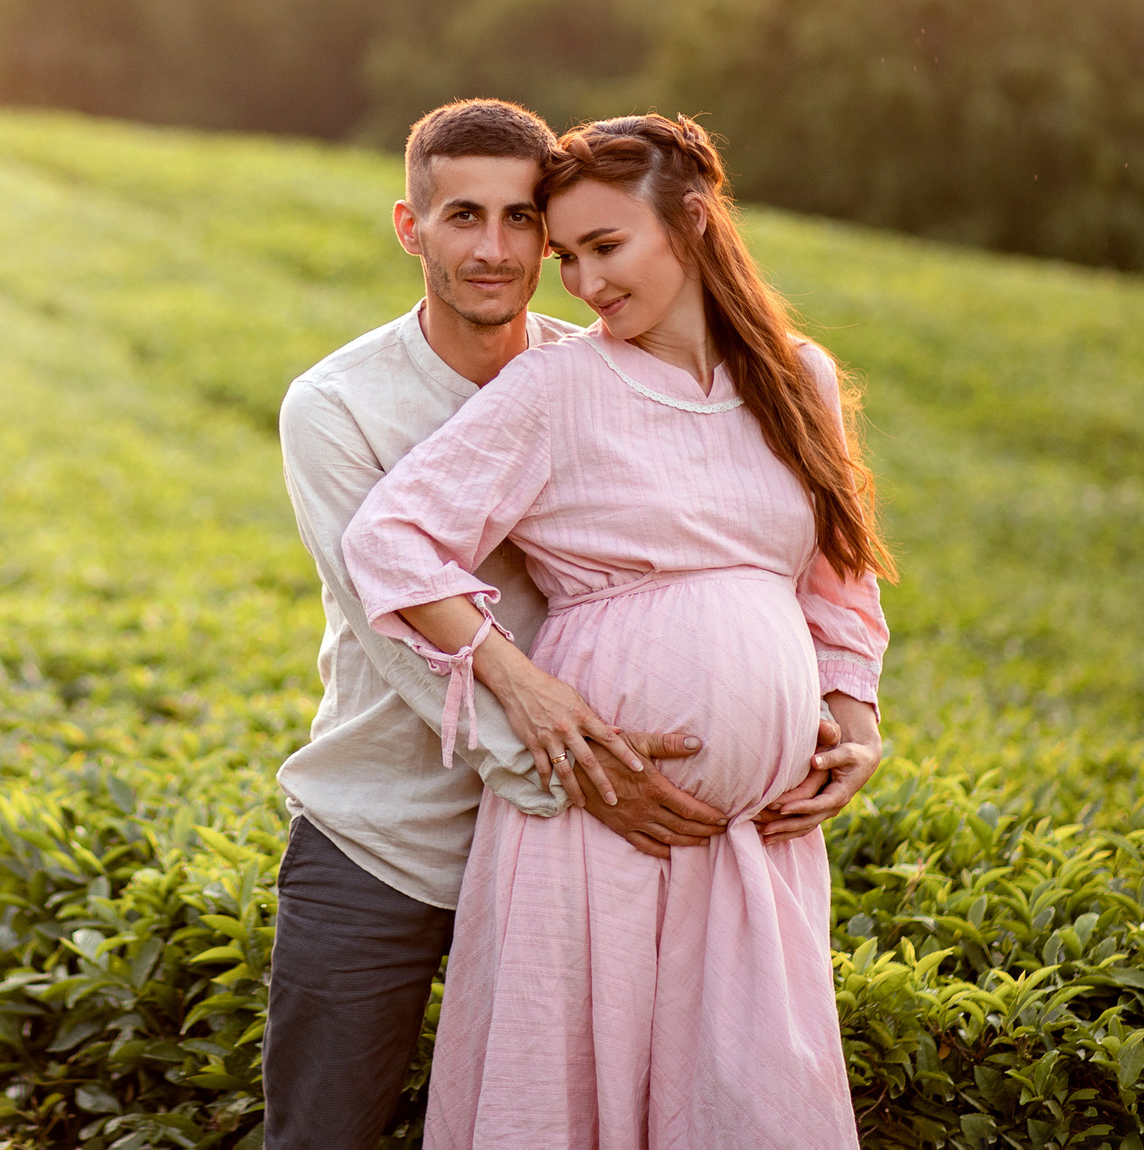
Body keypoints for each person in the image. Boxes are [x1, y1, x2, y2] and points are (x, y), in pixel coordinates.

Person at [342, 113, 892, 1150]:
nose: (583, 284)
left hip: (754, 842)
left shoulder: (796, 379)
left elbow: (837, 579)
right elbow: (394, 541)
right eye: (567, 259)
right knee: (572, 1103)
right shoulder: (557, 387)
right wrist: (517, 683)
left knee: (745, 1107)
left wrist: (852, 719)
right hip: (596, 825)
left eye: (605, 247)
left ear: (688, 224)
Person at [262, 99, 739, 1150]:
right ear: (409, 226)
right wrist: (580, 769)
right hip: (383, 840)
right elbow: (399, 640)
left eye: (521, 219)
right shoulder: (337, 404)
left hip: (561, 849)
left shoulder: (597, 374)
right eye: (461, 217)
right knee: (319, 1138)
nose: (493, 249)